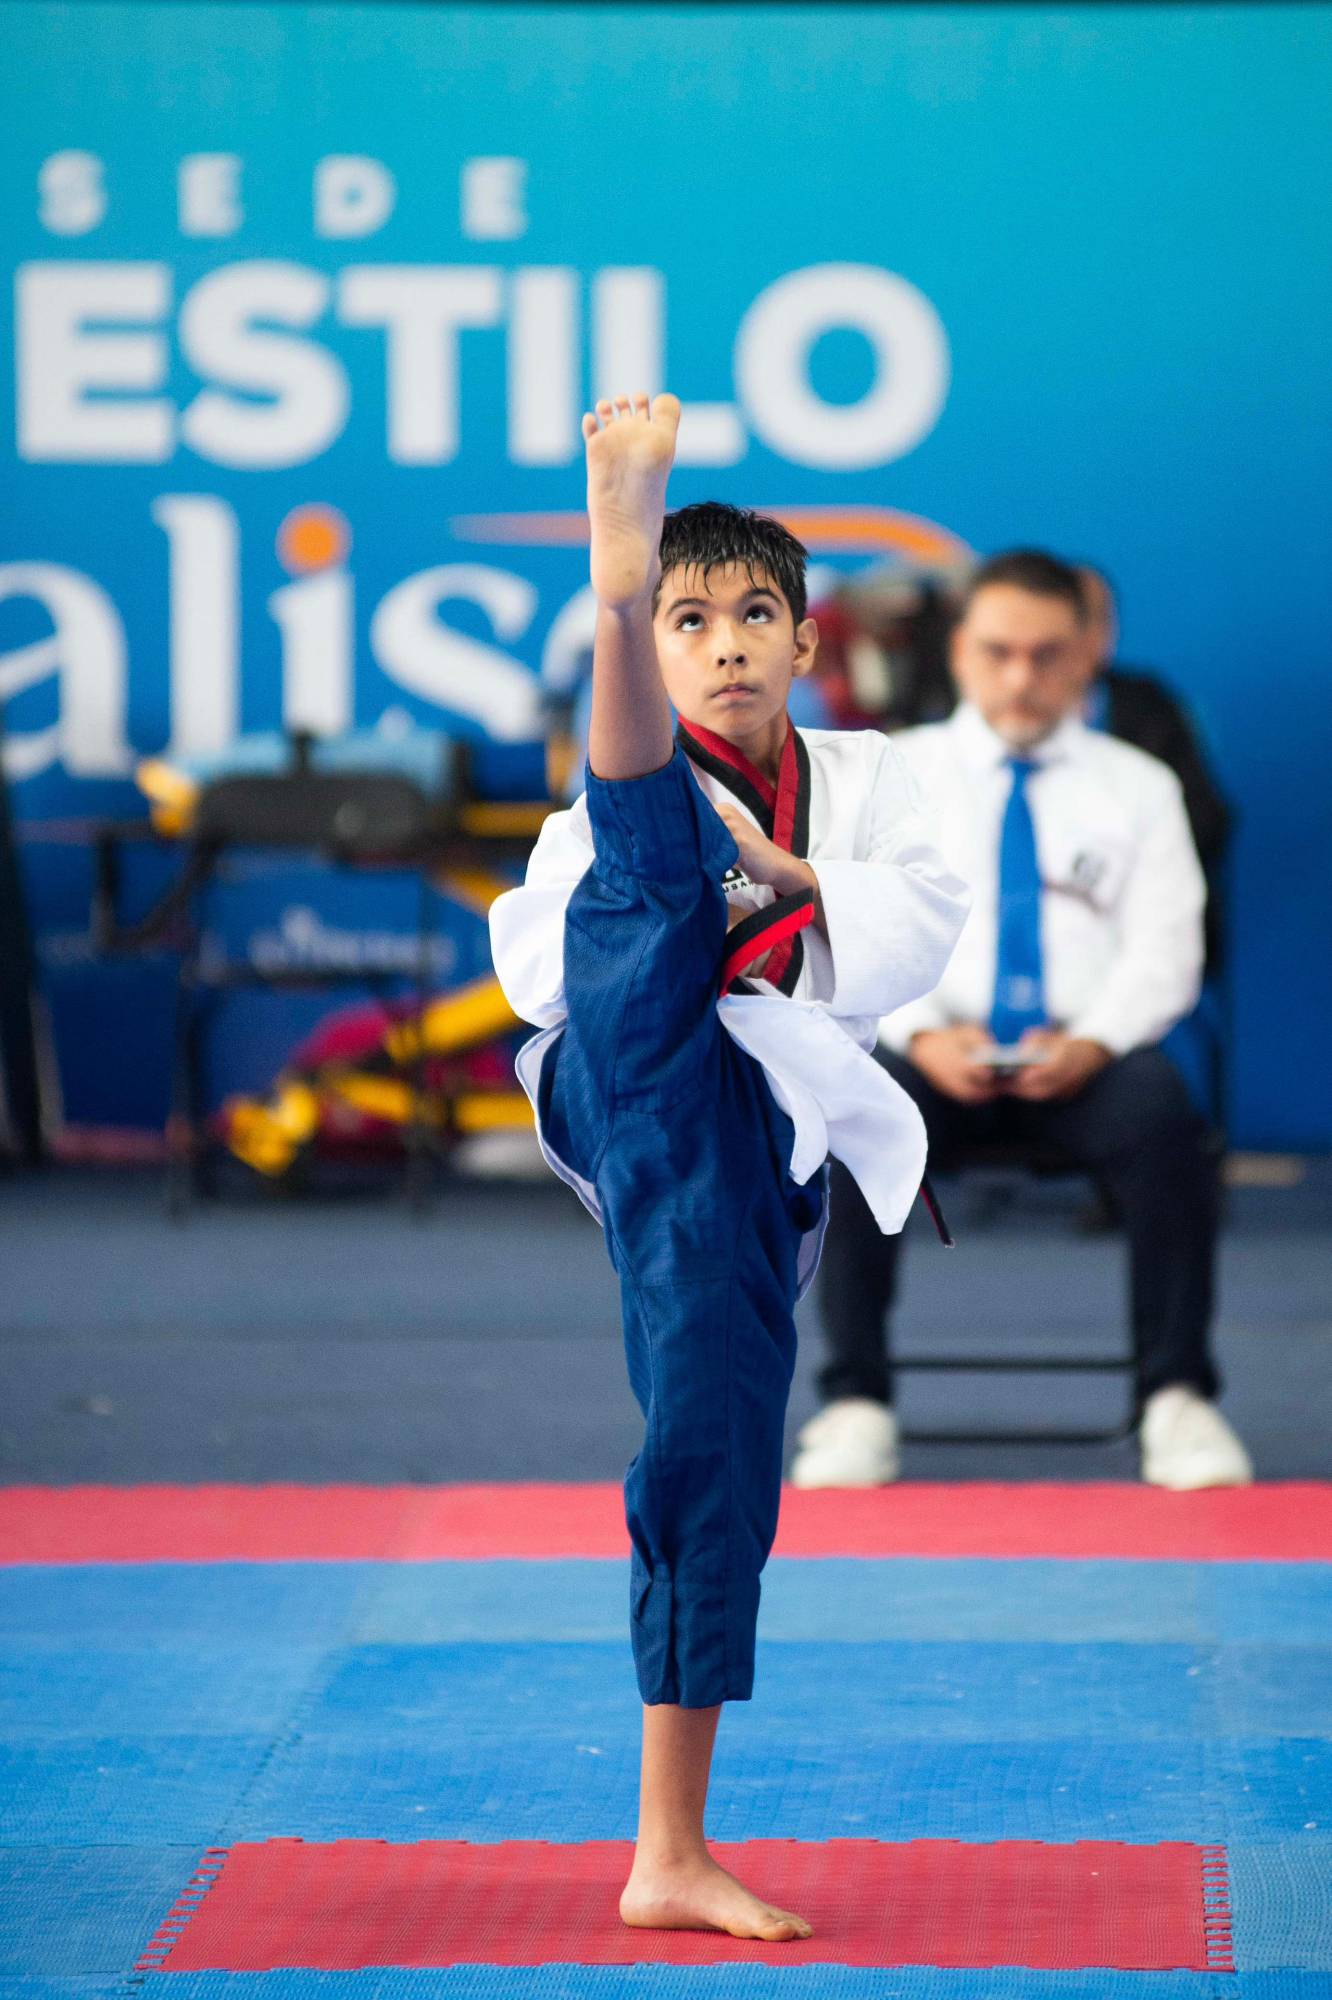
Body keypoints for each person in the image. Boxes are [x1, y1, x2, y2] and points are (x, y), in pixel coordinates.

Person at [489, 393, 968, 1941]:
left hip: (758, 1125)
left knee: (715, 1437)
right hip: (628, 1070)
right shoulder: (604, 793)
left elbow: (923, 922)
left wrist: (785, 871)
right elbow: (539, 973)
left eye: (756, 614)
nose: (732, 646)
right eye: (686, 621)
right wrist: (696, 885)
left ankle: (669, 1850)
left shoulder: (874, 779)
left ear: (808, 641)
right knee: (647, 864)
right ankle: (605, 593)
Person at [793, 549, 1253, 1494]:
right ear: (959, 652)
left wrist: (1093, 1042)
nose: (1020, 677)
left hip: (1086, 1060)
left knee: (1168, 1119)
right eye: (998, 651)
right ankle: (855, 1401)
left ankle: (1176, 1398)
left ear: (1087, 657)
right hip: (932, 1053)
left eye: (1047, 655)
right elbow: (848, 928)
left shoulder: (1141, 785)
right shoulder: (891, 775)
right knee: (852, 1113)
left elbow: (1169, 949)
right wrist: (923, 1032)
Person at [1078, 563, 1232, 971]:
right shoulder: (968, 726)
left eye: (1095, 619)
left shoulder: (1149, 708)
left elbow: (1207, 820)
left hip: (1134, 921)